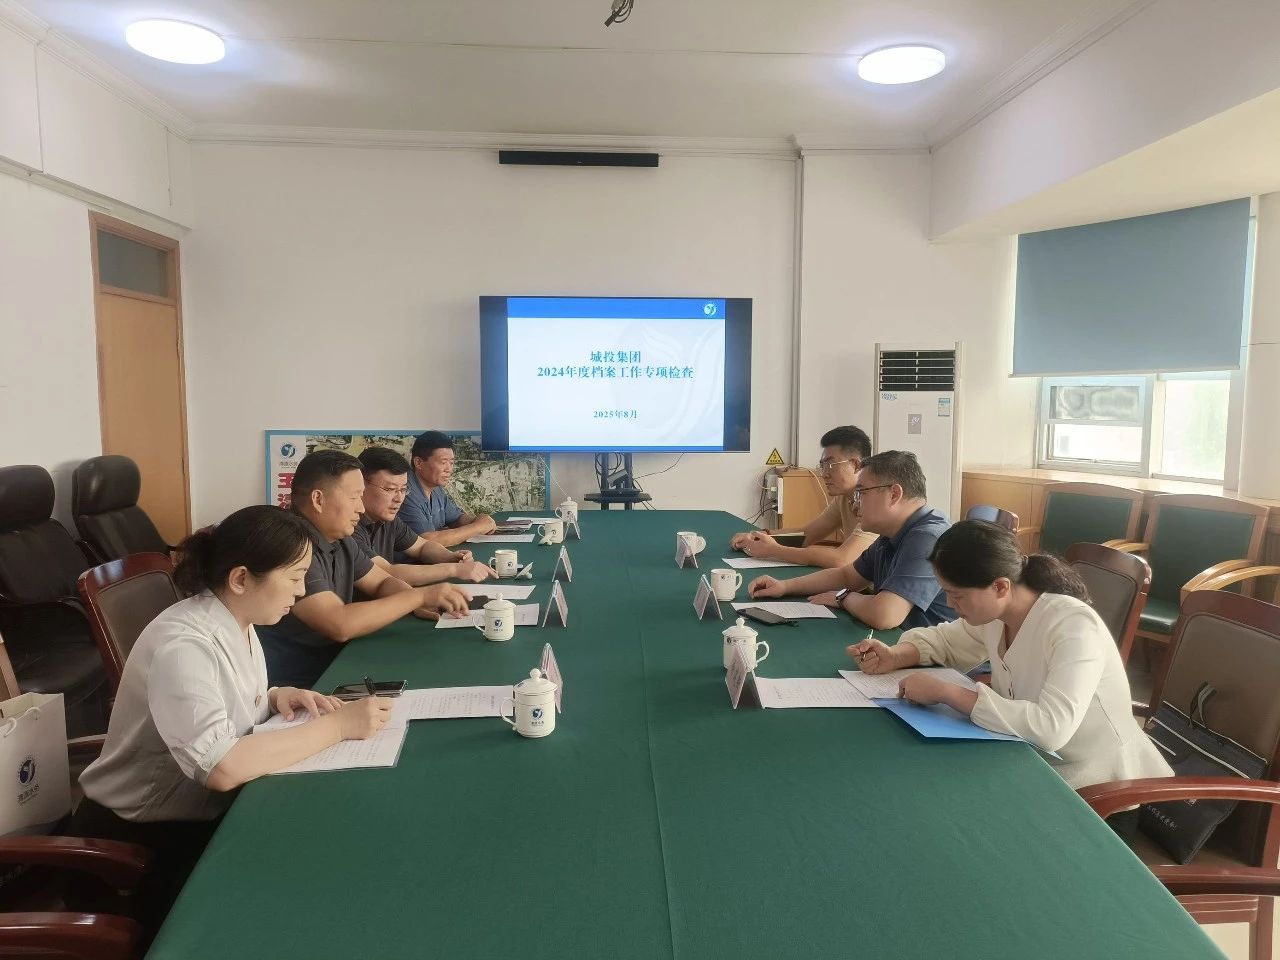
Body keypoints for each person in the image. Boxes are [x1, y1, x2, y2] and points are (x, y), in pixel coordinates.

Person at [70, 505, 395, 939]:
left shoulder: (235, 618)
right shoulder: (184, 644)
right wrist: (338, 727)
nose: (302, 590)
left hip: (196, 814)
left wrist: (274, 695)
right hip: (142, 841)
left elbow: (224, 696)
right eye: (295, 577)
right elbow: (220, 766)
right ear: (241, 578)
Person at [849, 520, 1173, 789]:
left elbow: (1051, 729)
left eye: (956, 595)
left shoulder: (1072, 625)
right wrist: (896, 655)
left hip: (1097, 783)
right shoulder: (999, 614)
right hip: (1030, 760)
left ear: (1001, 587)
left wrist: (947, 693)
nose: (949, 604)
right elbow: (947, 641)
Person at [257, 450, 469, 689]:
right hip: (301, 684)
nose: (360, 508)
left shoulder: (341, 538)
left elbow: (381, 582)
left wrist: (413, 600)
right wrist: (419, 596)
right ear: (318, 499)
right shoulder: (291, 544)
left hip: (336, 662)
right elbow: (338, 624)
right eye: (354, 497)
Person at [747, 451, 955, 630]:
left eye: (861, 493)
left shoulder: (928, 538)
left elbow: (885, 615)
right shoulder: (892, 533)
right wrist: (784, 587)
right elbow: (847, 576)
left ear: (894, 494)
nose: (855, 505)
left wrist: (843, 597)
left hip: (937, 660)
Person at [729, 426, 877, 569]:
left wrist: (774, 550)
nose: (824, 474)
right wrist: (759, 536)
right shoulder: (844, 498)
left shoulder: (875, 503)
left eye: (831, 465)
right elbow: (808, 534)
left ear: (856, 465)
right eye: (823, 465)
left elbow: (842, 560)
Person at [355, 447, 494, 585]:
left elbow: (422, 546)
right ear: (361, 485)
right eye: (390, 489)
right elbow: (386, 572)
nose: (399, 499)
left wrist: (451, 557)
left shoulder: (388, 520)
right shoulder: (349, 527)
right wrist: (453, 569)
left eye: (403, 489)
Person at [398, 431, 497, 546]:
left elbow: (456, 519)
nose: (449, 469)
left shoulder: (436, 487)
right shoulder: (404, 491)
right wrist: (477, 527)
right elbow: (427, 541)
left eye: (451, 463)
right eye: (443, 462)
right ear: (418, 463)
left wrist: (479, 520)